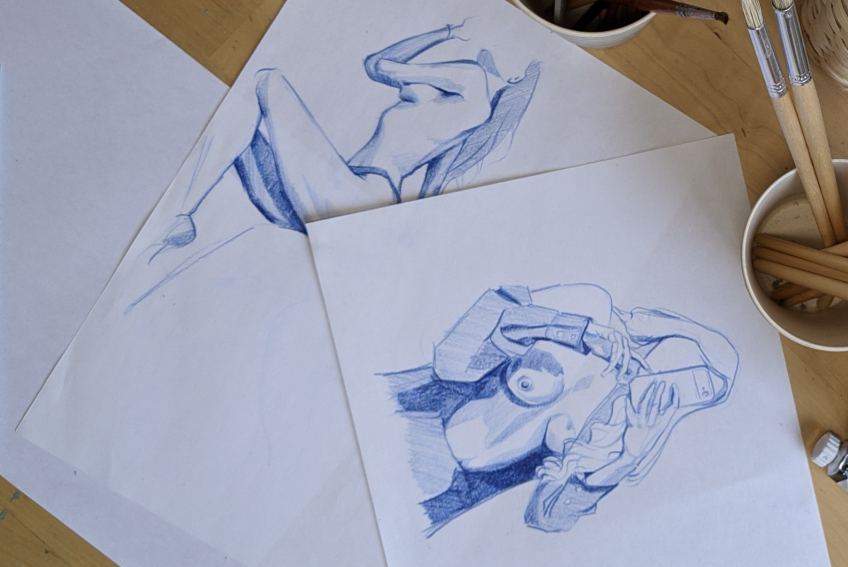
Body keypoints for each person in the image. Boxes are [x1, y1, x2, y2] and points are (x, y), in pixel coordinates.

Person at [145, 22, 540, 263]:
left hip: (354, 196)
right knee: (246, 123)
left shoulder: (472, 80)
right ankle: (179, 219)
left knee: (263, 81)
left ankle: (179, 215)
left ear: (514, 76)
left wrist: (445, 33)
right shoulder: (474, 114)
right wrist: (447, 32)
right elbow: (377, 67)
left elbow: (380, 65)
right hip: (345, 198)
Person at [385, 284, 738, 533]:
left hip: (440, 501)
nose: (666, 378)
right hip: (411, 413)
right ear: (664, 330)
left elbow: (547, 517)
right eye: (683, 350)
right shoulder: (591, 309)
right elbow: (465, 340)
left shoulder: (625, 432)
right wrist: (578, 331)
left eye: (697, 387)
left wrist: (628, 457)